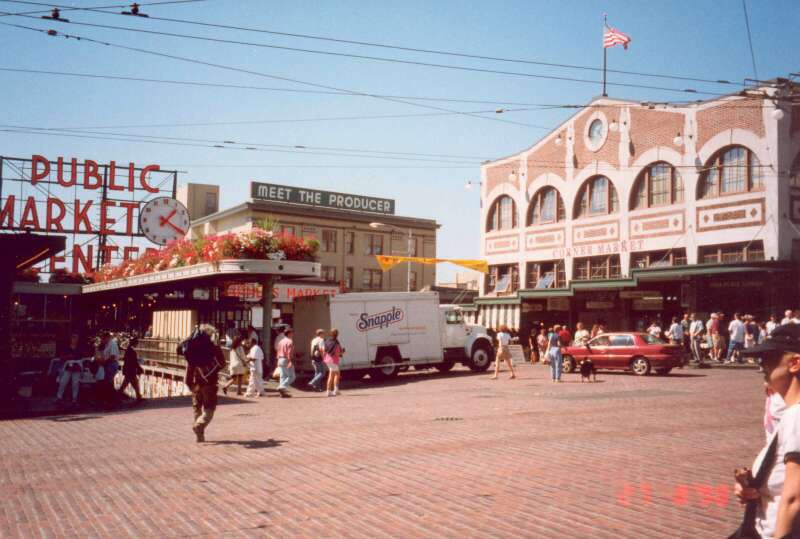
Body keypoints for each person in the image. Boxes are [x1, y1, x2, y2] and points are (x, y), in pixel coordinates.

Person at [733, 324, 800, 538]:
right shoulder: (790, 414)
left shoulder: (796, 416)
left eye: (769, 358)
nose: (762, 366)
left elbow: (793, 499)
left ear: (795, 363)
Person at [185, 324, 226, 442]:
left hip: (196, 383)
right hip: (210, 383)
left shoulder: (192, 351)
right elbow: (222, 363)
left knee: (197, 408)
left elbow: (189, 369)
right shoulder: (213, 348)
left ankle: (200, 436)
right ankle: (199, 426)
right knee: (209, 409)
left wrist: (190, 384)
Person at [118, 337, 143, 402]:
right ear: (134, 343)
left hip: (128, 369)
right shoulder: (131, 351)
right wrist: (139, 368)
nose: (137, 344)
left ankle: (138, 396)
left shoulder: (128, 350)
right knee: (133, 383)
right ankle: (138, 396)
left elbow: (127, 360)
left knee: (130, 383)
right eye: (137, 343)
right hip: (130, 370)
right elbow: (134, 361)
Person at [276, 328, 296, 397]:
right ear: (289, 333)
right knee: (292, 376)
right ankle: (282, 387)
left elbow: (278, 351)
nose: (293, 334)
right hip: (286, 359)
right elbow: (289, 352)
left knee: (283, 376)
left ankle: (283, 393)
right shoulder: (290, 341)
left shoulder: (281, 341)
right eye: (292, 332)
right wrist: (290, 361)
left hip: (280, 359)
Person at [324, 329, 344, 396]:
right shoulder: (336, 342)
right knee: (337, 375)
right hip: (333, 360)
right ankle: (335, 390)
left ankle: (328, 391)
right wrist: (342, 352)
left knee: (331, 375)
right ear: (337, 334)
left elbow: (325, 349)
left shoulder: (327, 341)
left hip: (327, 359)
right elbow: (338, 352)